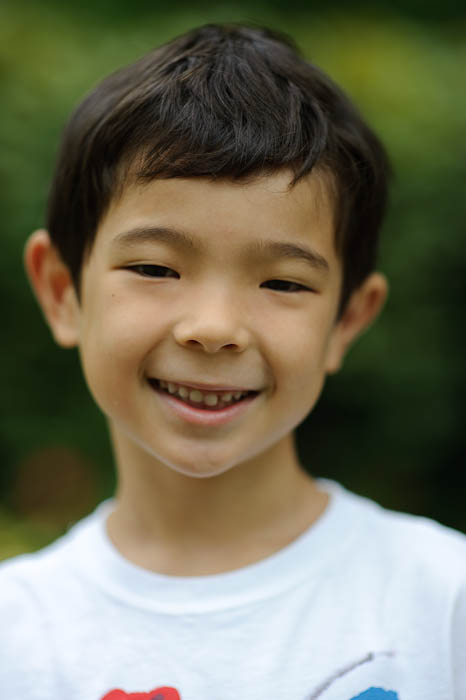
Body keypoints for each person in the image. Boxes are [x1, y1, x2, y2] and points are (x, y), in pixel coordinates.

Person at [0, 23, 464, 700]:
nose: (214, 329)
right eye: (155, 267)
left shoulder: (443, 605)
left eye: (283, 283)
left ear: (347, 320)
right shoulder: (17, 639)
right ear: (62, 291)